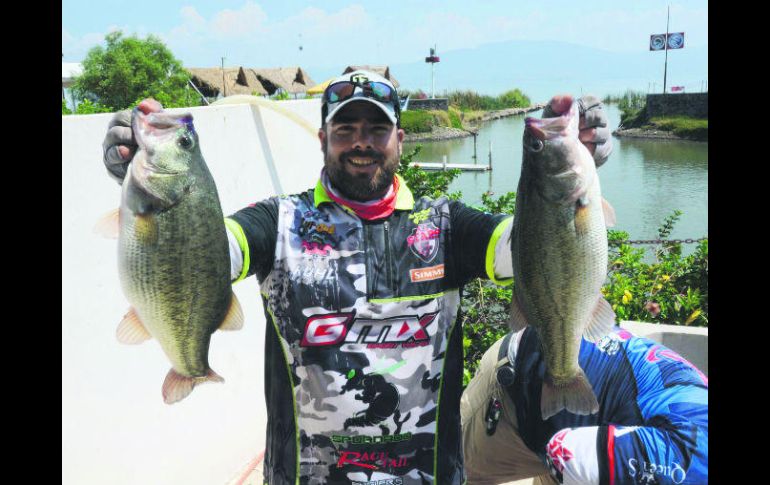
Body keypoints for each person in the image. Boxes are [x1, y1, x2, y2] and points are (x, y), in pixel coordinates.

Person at [102, 69, 614, 484]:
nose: (361, 143)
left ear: (400, 139)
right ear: (323, 138)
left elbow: (532, 248)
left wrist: (571, 167)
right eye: (345, 130)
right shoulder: (276, 223)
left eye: (376, 129)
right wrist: (142, 184)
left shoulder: (448, 227)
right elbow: (210, 253)